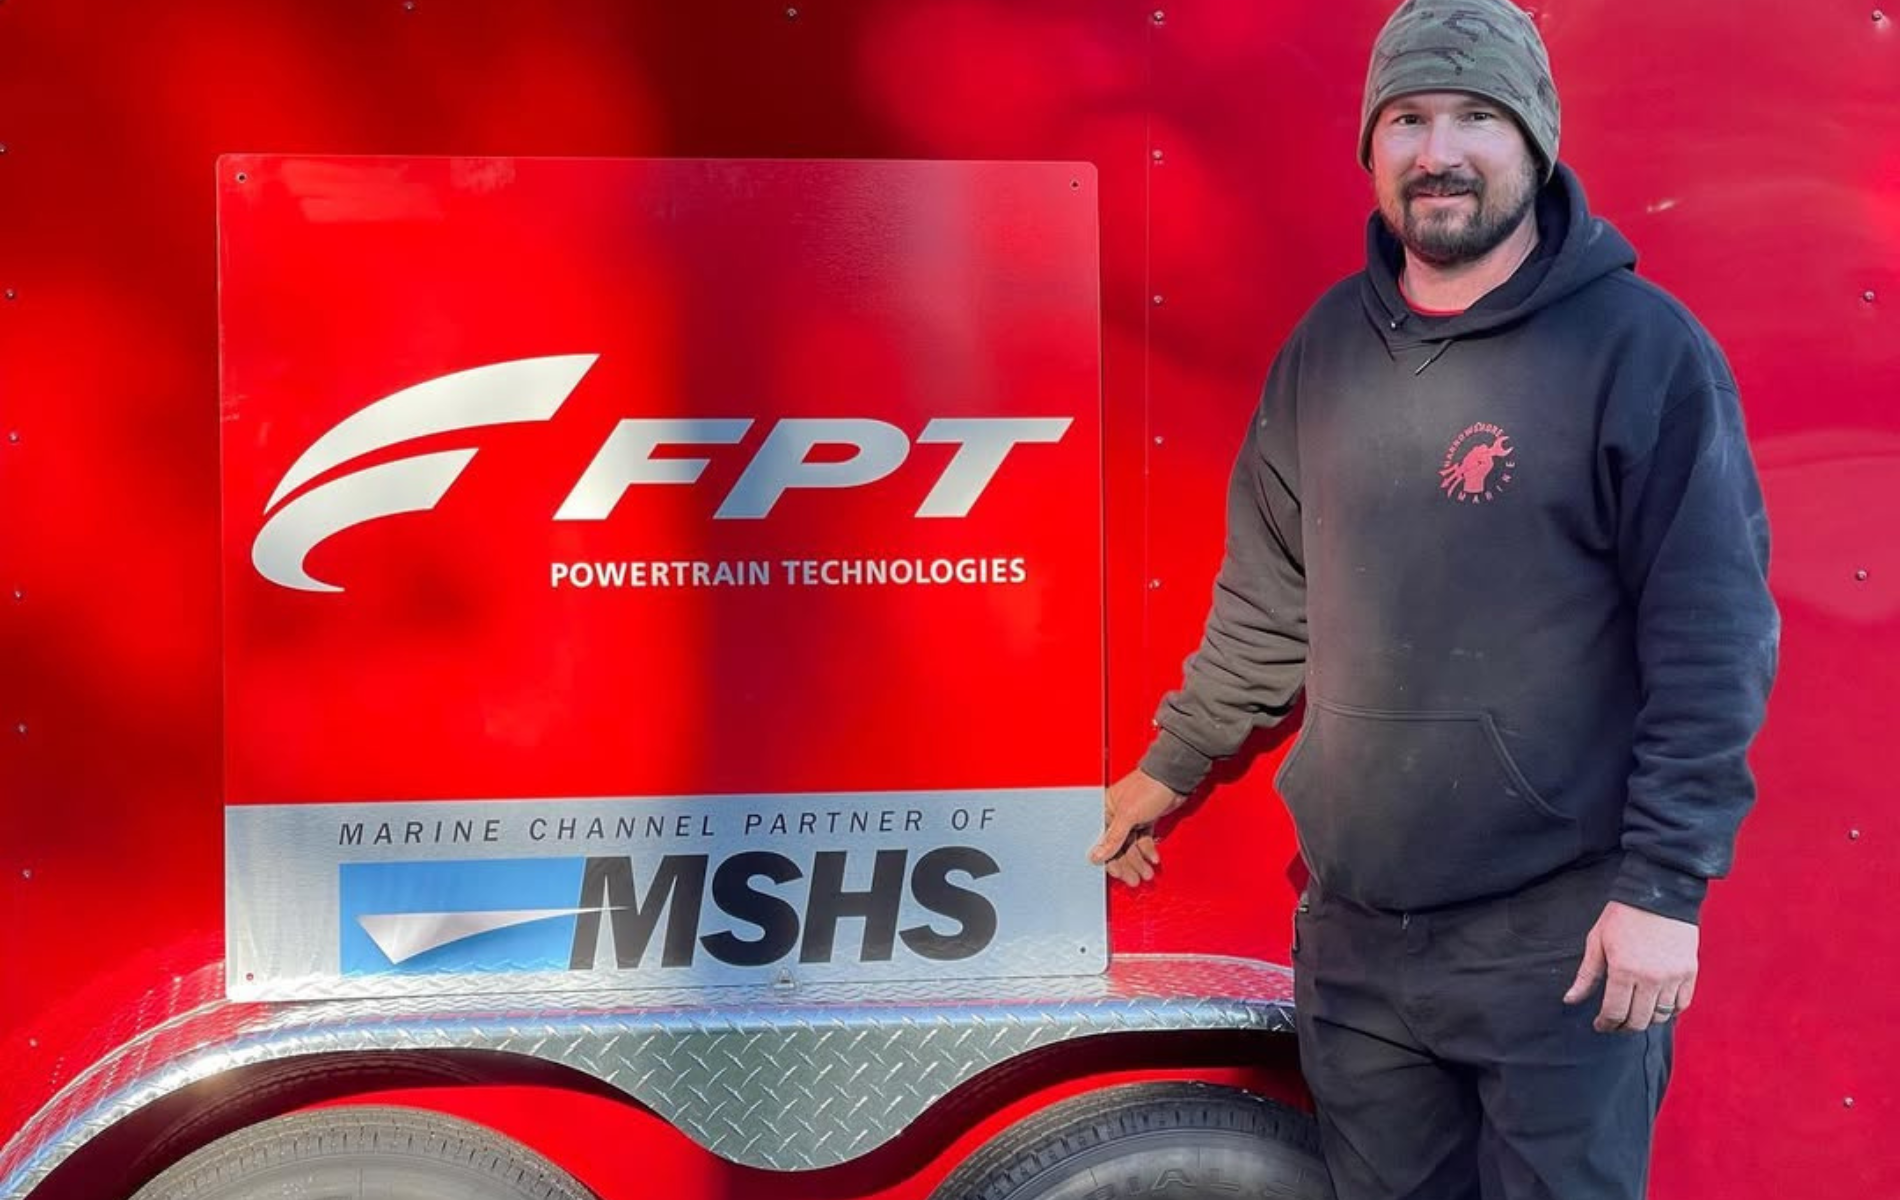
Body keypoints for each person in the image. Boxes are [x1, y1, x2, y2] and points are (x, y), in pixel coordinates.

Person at [1088, 1, 1780, 1196]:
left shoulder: (1638, 350)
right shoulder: (1323, 352)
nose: (1437, 152)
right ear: (1371, 146)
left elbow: (1712, 637)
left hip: (1559, 942)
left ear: (1535, 144)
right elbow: (1268, 594)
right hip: (1358, 941)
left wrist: (1665, 889)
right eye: (1406, 119)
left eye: (1475, 117)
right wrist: (1175, 762)